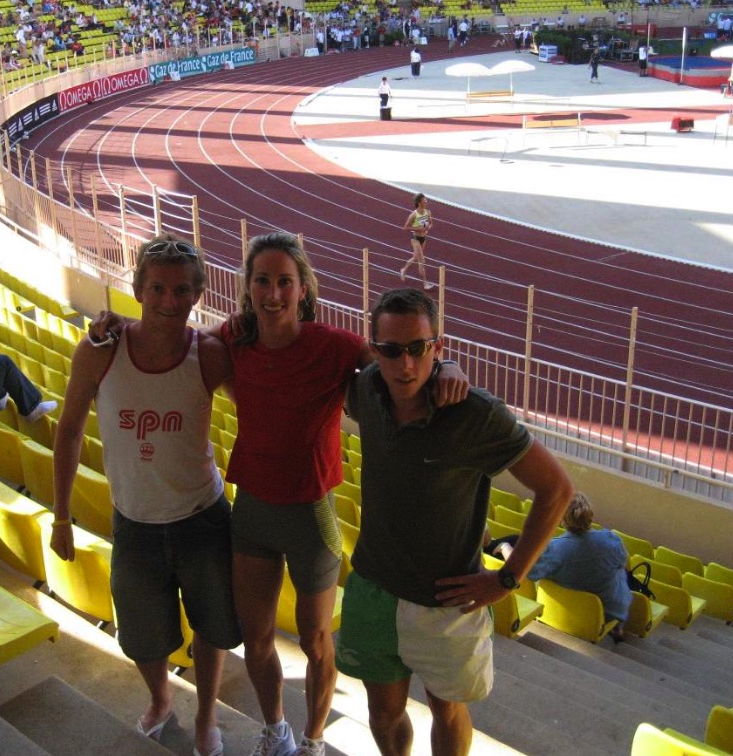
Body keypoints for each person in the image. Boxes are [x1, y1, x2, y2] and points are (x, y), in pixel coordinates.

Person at [91, 233, 470, 756]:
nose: (273, 293)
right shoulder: (234, 341)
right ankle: (277, 729)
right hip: (252, 514)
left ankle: (313, 738)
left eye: (284, 282)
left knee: (317, 643)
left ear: (303, 288)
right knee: (257, 637)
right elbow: (174, 336)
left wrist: (446, 365)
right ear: (248, 289)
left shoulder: (334, 346)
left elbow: (396, 361)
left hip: (311, 516)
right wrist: (118, 325)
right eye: (263, 281)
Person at [336, 288, 573, 756]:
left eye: (419, 349)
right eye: (390, 350)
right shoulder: (365, 389)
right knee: (382, 714)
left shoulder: (474, 415)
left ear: (438, 347)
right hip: (373, 588)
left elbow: (557, 490)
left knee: (447, 712)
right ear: (375, 350)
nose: (405, 365)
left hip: (448, 603)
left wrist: (507, 578)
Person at [51, 236, 240, 756]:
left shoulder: (211, 354)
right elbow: (67, 431)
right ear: (137, 288)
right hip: (134, 522)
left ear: (198, 294)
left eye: (182, 290)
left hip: (203, 517)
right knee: (141, 634)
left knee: (211, 624)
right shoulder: (98, 352)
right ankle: (161, 701)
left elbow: (262, 403)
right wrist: (60, 516)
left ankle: (204, 718)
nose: (169, 301)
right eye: (157, 288)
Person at [527, 492, 630, 641]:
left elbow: (530, 573)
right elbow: (623, 563)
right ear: (590, 515)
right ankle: (618, 626)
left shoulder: (554, 549)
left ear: (562, 520)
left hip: (565, 612)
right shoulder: (611, 540)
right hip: (609, 611)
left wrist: (505, 548)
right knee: (620, 571)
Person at [400, 193, 433, 289]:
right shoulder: (413, 214)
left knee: (415, 257)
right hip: (415, 239)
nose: (426, 202)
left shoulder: (428, 212)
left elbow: (431, 224)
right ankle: (425, 283)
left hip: (423, 238)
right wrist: (418, 228)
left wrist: (427, 228)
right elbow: (405, 227)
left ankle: (404, 269)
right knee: (421, 260)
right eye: (425, 200)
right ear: (419, 203)